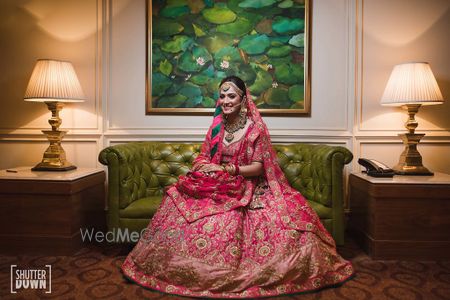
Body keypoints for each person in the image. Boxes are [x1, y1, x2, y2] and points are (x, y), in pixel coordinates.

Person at [121, 76, 354, 298]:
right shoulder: (216, 128)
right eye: (222, 96)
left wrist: (228, 170)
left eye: (231, 96)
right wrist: (205, 167)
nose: (226, 101)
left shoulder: (255, 129)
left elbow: (257, 168)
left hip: (247, 183)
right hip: (216, 183)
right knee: (178, 204)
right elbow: (203, 156)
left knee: (247, 219)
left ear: (243, 99)